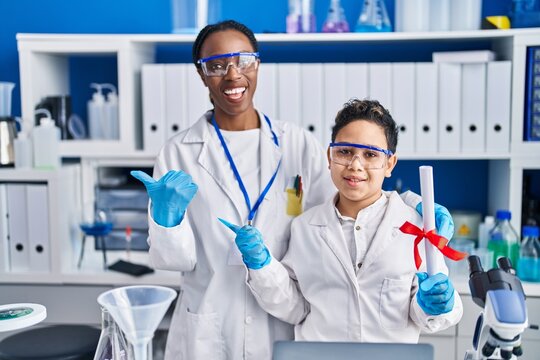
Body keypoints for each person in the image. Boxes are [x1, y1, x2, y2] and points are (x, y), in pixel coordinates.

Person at [130, 20, 455, 360]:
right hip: (210, 326)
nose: (232, 74)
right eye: (216, 65)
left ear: (257, 64)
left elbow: (345, 196)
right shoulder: (179, 152)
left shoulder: (296, 143)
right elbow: (173, 260)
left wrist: (413, 206)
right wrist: (167, 221)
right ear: (201, 73)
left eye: (243, 60)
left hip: (279, 324)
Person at [222, 99, 463, 343]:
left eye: (370, 155)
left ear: (389, 164)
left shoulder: (415, 227)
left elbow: (429, 312)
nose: (355, 165)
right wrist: (262, 266)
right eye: (345, 152)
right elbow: (295, 308)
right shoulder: (306, 227)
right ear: (330, 155)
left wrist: (434, 305)